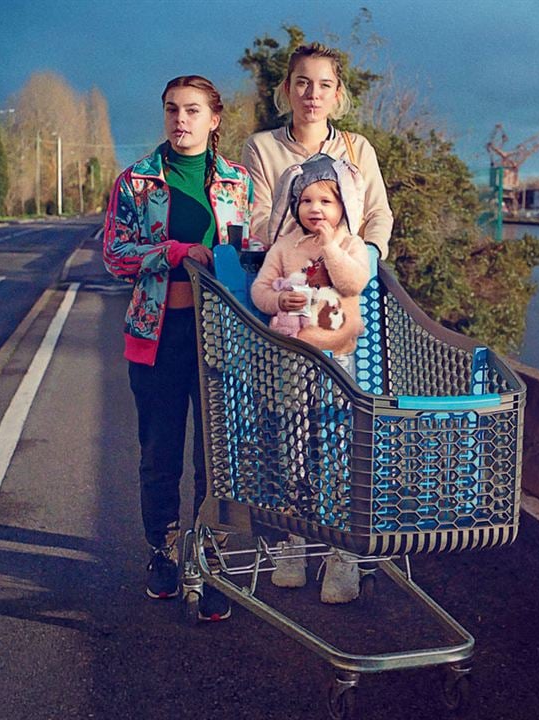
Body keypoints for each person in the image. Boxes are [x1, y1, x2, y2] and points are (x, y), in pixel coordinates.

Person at [102, 75, 253, 622]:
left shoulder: (239, 183)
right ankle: (162, 555)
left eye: (193, 110)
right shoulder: (137, 181)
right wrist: (172, 250)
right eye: (172, 110)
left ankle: (210, 559)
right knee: (159, 455)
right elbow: (115, 255)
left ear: (215, 119)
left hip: (223, 341)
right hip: (158, 336)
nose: (180, 120)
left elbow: (253, 251)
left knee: (215, 461)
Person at [250, 154, 370, 603]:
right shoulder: (283, 249)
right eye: (305, 200)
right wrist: (275, 303)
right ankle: (292, 543)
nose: (315, 208)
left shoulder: (351, 246)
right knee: (293, 451)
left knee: (337, 455)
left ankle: (342, 556)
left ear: (344, 206)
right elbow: (262, 289)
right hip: (291, 366)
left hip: (338, 366)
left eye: (326, 199)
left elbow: (353, 283)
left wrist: (330, 247)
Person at [242, 42, 393, 260]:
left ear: (337, 93)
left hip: (349, 272)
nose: (313, 94)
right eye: (303, 83)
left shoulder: (358, 148)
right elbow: (258, 217)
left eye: (325, 85)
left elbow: (378, 212)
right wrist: (308, 249)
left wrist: (370, 252)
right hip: (285, 275)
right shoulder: (261, 147)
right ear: (288, 87)